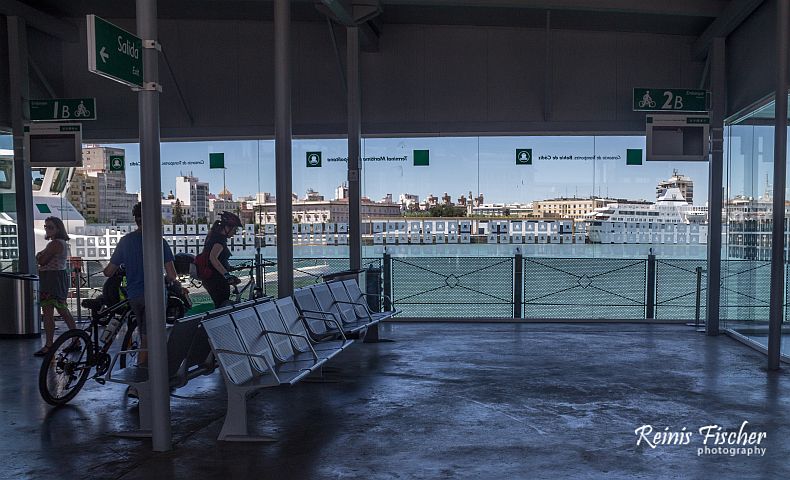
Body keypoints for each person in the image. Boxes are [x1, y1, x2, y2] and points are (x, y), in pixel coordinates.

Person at [103, 203, 177, 369]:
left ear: (136, 220)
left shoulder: (125, 241)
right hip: (155, 296)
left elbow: (108, 272)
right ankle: (140, 378)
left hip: (134, 295)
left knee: (144, 333)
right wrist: (165, 280)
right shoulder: (159, 241)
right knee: (148, 338)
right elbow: (172, 275)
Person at [34, 217, 78, 357]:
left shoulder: (55, 244)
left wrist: (39, 255)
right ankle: (75, 339)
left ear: (58, 229)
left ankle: (50, 344)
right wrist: (41, 255)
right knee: (60, 310)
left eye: (50, 227)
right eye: (46, 226)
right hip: (55, 278)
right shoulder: (61, 243)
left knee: (52, 311)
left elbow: (42, 260)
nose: (47, 229)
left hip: (51, 279)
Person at [202, 211, 242, 308]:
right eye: (234, 229)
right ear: (227, 227)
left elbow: (218, 260)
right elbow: (213, 258)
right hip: (216, 280)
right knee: (222, 307)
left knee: (221, 306)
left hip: (212, 279)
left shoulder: (213, 237)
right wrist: (227, 275)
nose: (235, 232)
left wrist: (228, 268)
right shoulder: (219, 241)